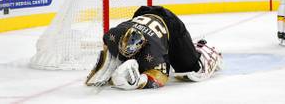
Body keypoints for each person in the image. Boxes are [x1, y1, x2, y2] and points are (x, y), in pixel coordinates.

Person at [86, 6, 222, 90]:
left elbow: (161, 77)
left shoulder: (153, 50)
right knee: (141, 65)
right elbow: (106, 48)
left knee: (191, 70)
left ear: (142, 46)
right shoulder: (115, 34)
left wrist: (139, 82)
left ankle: (200, 49)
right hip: (143, 13)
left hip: (171, 25)